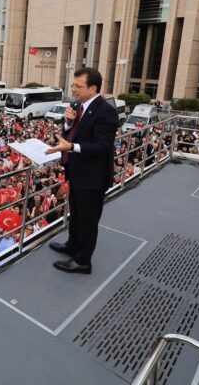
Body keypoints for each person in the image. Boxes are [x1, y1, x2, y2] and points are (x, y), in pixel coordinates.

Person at [45, 67, 118, 274]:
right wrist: (68, 123)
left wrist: (71, 147)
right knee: (76, 214)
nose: (73, 89)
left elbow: (102, 146)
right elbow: (73, 133)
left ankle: (83, 261)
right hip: (76, 172)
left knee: (88, 220)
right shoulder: (77, 105)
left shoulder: (106, 111)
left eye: (78, 86)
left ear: (93, 88)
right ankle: (72, 245)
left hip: (93, 177)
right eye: (73, 85)